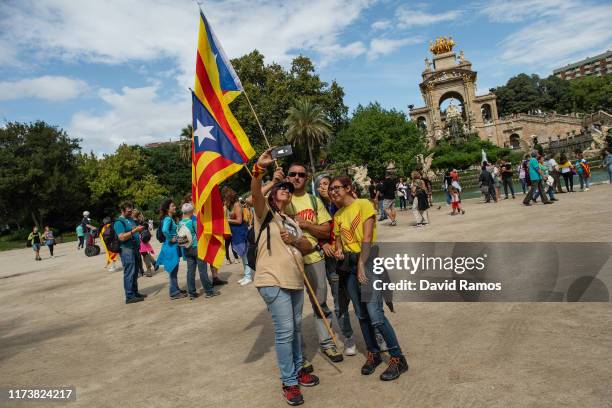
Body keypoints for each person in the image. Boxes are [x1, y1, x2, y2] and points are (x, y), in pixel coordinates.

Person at [251, 148, 320, 406]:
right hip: (272, 279)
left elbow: (307, 246)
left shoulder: (290, 219)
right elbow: (256, 193)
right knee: (285, 331)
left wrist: (296, 240)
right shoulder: (264, 214)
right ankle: (289, 382)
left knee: (296, 328)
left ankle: (298, 368)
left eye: (289, 189)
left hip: (295, 280)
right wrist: (260, 170)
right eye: (282, 187)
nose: (286, 190)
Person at [329, 175, 409, 381]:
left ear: (348, 188)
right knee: (362, 314)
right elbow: (339, 243)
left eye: (337, 188)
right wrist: (337, 251)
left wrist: (362, 264)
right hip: (348, 265)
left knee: (375, 314)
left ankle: (398, 358)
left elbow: (366, 238)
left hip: (368, 260)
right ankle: (372, 352)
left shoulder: (364, 205)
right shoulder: (337, 215)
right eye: (331, 189)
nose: (333, 192)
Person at [284, 163, 344, 364]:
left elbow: (327, 231)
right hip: (288, 261)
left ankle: (327, 343)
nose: (297, 177)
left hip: (314, 259)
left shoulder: (313, 200)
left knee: (320, 303)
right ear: (287, 176)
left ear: (306, 177)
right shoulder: (279, 200)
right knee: (293, 309)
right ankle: (299, 354)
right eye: (292, 174)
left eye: (301, 174)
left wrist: (307, 224)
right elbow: (254, 200)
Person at [315, 174, 356, 356]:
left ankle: (376, 333)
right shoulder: (315, 207)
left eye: (328, 184)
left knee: (363, 295)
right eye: (321, 185)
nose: (324, 188)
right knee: (340, 301)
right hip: (332, 260)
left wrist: (331, 197)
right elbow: (312, 231)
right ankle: (348, 336)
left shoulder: (341, 202)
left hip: (351, 254)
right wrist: (322, 243)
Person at [181, 193, 227, 286]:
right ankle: (208, 288)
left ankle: (214, 278)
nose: (193, 202)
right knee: (201, 268)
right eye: (191, 200)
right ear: (188, 202)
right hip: (197, 244)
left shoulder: (198, 211)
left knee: (208, 259)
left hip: (202, 240)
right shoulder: (189, 216)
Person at [178, 203, 220, 299]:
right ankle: (209, 291)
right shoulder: (193, 221)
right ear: (192, 212)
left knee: (190, 271)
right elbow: (199, 233)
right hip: (197, 248)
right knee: (202, 271)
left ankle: (192, 293)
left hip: (187, 249)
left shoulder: (180, 223)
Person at [113, 202, 147, 304]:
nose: (131, 212)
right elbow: (122, 237)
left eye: (131, 210)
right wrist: (135, 230)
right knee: (129, 272)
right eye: (128, 211)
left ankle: (135, 293)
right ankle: (129, 296)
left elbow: (134, 229)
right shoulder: (119, 222)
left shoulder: (130, 219)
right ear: (122, 211)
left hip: (135, 248)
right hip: (126, 249)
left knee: (135, 271)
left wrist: (139, 229)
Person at [156, 199, 186, 300]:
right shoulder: (168, 219)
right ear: (167, 208)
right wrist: (171, 239)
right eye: (172, 206)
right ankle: (174, 292)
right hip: (171, 247)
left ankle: (176, 289)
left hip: (171, 247)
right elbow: (165, 230)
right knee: (173, 270)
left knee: (174, 270)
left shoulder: (169, 218)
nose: (175, 207)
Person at [224, 188, 253, 286]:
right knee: (243, 255)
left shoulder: (236, 205)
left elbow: (239, 221)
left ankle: (248, 276)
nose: (224, 200)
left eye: (226, 198)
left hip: (241, 232)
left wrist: (226, 220)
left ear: (229, 198)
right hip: (236, 233)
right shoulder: (231, 206)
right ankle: (246, 275)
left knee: (245, 255)